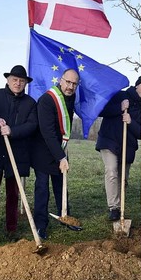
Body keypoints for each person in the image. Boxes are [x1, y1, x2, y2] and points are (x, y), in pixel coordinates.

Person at [0, 65, 38, 242]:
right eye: (14, 80)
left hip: (17, 154)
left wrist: (13, 131)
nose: (18, 83)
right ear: (8, 80)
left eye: (21, 81)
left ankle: (11, 228)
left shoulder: (30, 103)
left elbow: (32, 126)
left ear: (26, 83)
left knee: (13, 193)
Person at [96, 75, 141, 221]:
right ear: (137, 86)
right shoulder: (120, 95)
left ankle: (120, 207)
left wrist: (130, 122)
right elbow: (101, 110)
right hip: (109, 140)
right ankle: (114, 208)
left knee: (123, 180)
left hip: (127, 146)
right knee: (111, 171)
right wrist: (119, 108)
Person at [31, 68, 79, 240]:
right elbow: (48, 131)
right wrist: (61, 157)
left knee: (61, 185)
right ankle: (41, 225)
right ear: (60, 80)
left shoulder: (70, 98)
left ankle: (65, 216)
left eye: (74, 84)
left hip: (60, 149)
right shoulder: (47, 100)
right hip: (43, 151)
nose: (70, 86)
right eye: (68, 82)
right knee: (42, 188)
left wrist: (62, 155)